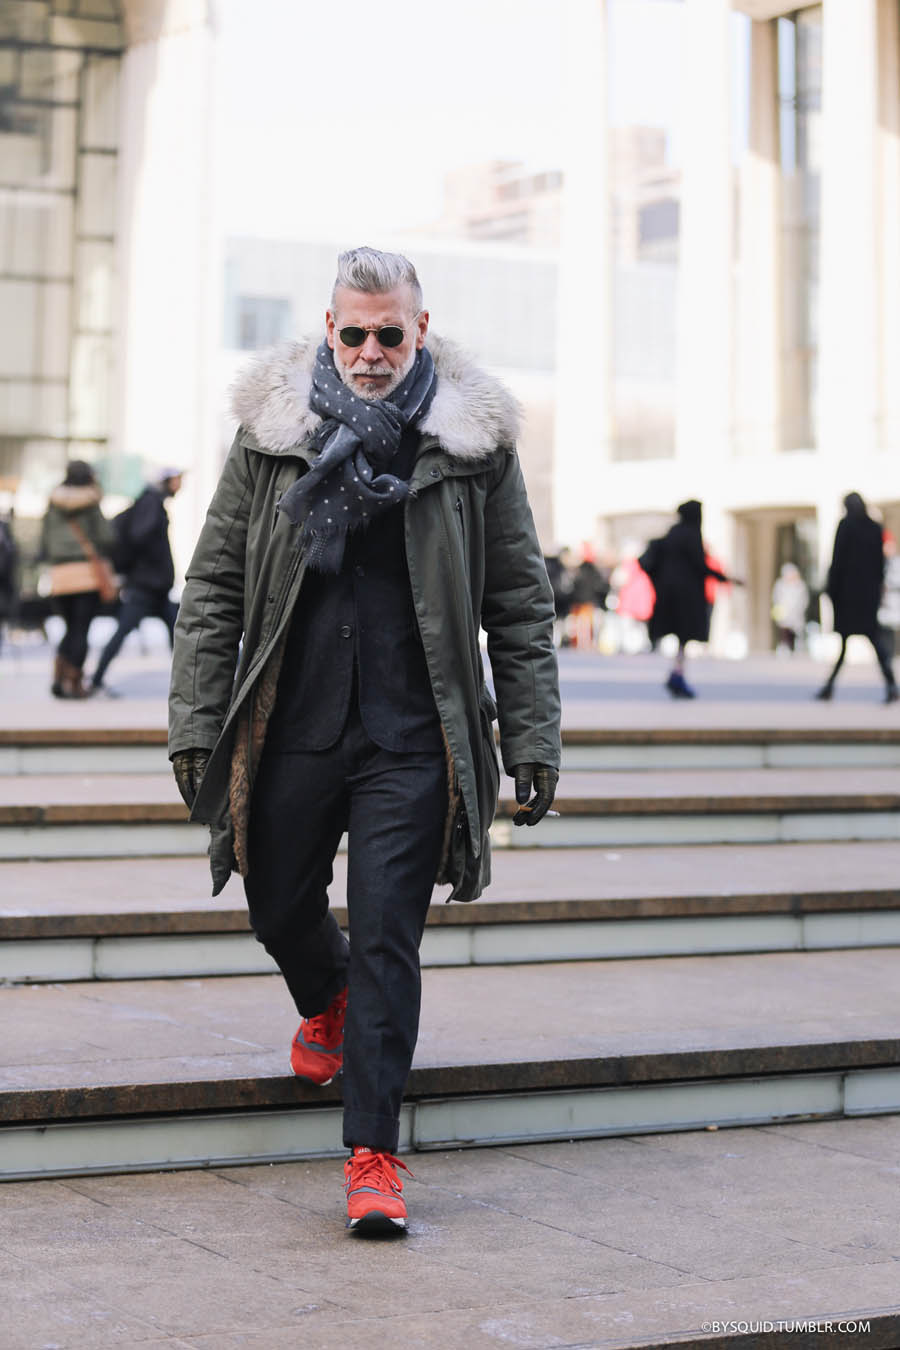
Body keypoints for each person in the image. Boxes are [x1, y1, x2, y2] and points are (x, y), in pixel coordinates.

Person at [168, 247, 561, 1234]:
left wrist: (533, 737)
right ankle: (328, 1001)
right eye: (355, 333)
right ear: (329, 327)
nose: (373, 352)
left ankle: (374, 1153)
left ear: (420, 329)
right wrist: (195, 722)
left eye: (392, 333)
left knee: (391, 936)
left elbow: (517, 602)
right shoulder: (271, 435)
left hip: (413, 732)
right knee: (274, 902)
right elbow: (213, 589)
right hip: (292, 720)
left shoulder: (472, 445)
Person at [89, 468, 183, 695]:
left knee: (177, 631)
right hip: (146, 586)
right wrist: (152, 568)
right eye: (178, 480)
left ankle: (183, 685)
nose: (181, 485)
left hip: (154, 586)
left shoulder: (151, 502)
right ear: (167, 481)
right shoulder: (151, 504)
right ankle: (95, 680)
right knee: (124, 631)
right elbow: (140, 537)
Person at [641, 499, 732, 698]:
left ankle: (677, 673)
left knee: (681, 639)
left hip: (669, 595)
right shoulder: (691, 535)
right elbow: (700, 565)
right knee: (684, 636)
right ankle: (677, 675)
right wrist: (725, 578)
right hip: (686, 597)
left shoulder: (672, 534)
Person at [40, 460, 114, 698]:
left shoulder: (53, 502)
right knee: (81, 630)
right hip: (86, 574)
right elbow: (106, 536)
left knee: (69, 628)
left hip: (60, 575)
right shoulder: (91, 502)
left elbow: (44, 539)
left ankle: (58, 678)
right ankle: (74, 683)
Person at [816, 493, 897, 703]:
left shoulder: (846, 526)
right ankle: (890, 684)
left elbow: (837, 561)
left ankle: (830, 687)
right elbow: (880, 566)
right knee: (871, 640)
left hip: (848, 595)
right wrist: (877, 590)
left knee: (849, 642)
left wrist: (831, 590)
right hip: (867, 595)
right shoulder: (874, 528)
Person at [771, 561, 809, 654]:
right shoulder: (780, 585)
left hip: (796, 614)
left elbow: (804, 600)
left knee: (795, 632)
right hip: (785, 613)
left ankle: (796, 648)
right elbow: (776, 598)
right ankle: (785, 647)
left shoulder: (800, 585)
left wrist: (799, 610)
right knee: (785, 631)